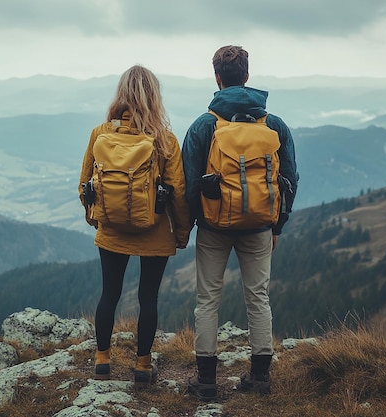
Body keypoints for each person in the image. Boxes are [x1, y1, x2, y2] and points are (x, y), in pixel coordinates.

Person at [181, 45, 299, 399]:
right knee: (258, 298)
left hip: (214, 227)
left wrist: (189, 225)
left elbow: (189, 184)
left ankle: (206, 382)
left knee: (207, 300)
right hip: (260, 226)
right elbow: (290, 179)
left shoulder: (205, 125)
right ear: (246, 77)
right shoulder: (273, 124)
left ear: (217, 78)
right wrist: (276, 224)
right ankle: (260, 378)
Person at [78, 65, 191, 386]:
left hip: (111, 230)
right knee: (148, 298)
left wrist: (96, 218)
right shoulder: (164, 140)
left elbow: (85, 184)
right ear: (155, 97)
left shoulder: (101, 134)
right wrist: (182, 234)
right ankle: (142, 365)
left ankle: (102, 359)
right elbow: (178, 192)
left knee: (109, 294)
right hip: (153, 233)